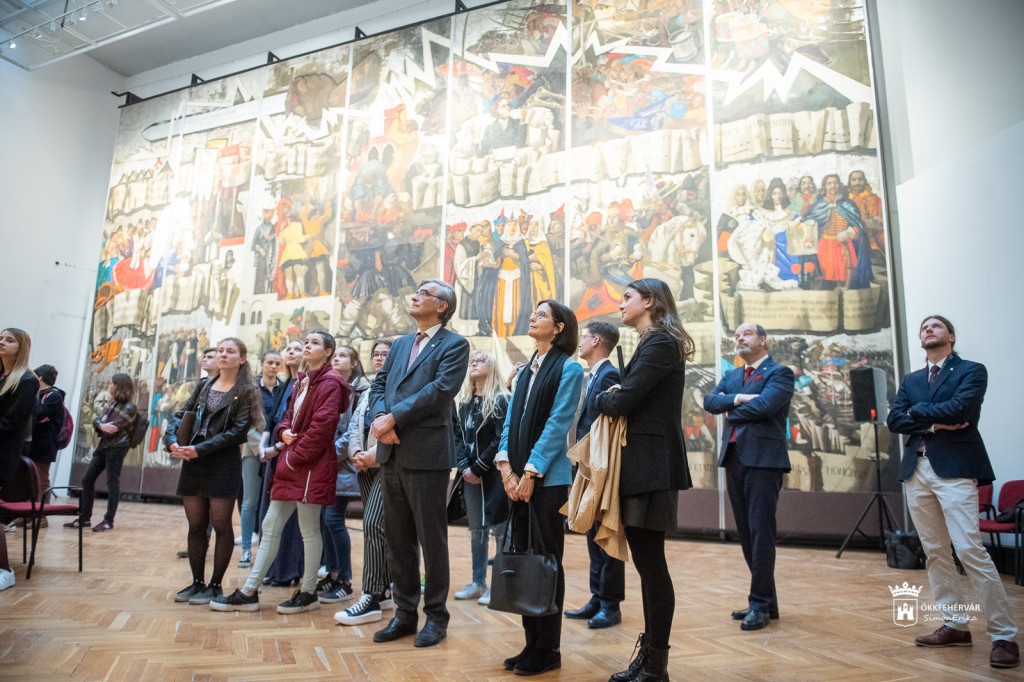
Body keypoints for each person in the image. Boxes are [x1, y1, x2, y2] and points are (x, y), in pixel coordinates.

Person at [887, 315, 1018, 669]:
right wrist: (933, 422)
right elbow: (894, 420)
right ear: (920, 340)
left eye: (936, 326)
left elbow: (962, 409)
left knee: (969, 549)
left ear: (951, 336)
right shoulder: (911, 379)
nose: (928, 329)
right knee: (935, 551)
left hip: (956, 470)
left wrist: (917, 412)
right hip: (916, 471)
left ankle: (1003, 635)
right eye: (924, 328)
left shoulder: (971, 370)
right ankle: (955, 624)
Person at [593, 279, 693, 681]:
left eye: (627, 298)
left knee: (652, 566)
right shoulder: (653, 342)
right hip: (644, 465)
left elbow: (622, 400)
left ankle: (655, 665)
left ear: (649, 301)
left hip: (651, 465)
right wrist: (615, 394)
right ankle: (651, 661)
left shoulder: (660, 343)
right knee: (648, 565)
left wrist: (603, 396)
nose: (620, 305)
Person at [211, 331, 348, 614]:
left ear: (327, 352)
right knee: (270, 525)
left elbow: (322, 427)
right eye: (306, 342)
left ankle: (308, 592)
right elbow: (285, 417)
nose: (307, 346)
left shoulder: (331, 383)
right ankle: (249, 591)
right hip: (292, 464)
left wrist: (293, 458)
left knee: (309, 529)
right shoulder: (301, 381)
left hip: (309, 466)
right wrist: (283, 432)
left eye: (314, 343)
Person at [367, 279, 470, 648]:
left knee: (431, 538)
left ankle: (436, 617)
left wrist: (393, 419)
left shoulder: (455, 344)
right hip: (391, 450)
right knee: (398, 538)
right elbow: (378, 386)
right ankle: (405, 613)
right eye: (416, 291)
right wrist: (380, 420)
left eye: (424, 293)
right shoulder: (399, 344)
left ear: (442, 306)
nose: (415, 296)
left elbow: (440, 390)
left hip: (427, 453)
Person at [495, 300, 584, 676]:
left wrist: (531, 474)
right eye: (534, 313)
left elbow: (558, 423)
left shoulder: (569, 368)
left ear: (559, 328)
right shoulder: (527, 368)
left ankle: (549, 649)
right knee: (524, 559)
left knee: (546, 562)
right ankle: (531, 643)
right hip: (517, 479)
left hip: (547, 480)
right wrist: (505, 467)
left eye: (542, 315)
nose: (533, 317)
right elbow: (510, 422)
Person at [703, 323, 794, 632]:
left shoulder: (780, 373)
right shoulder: (732, 376)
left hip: (764, 461)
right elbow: (710, 402)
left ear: (763, 340)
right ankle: (767, 602)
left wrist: (732, 409)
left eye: (747, 334)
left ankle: (759, 604)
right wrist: (741, 399)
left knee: (761, 532)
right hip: (735, 459)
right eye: (737, 335)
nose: (740, 338)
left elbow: (767, 406)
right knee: (746, 532)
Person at [166, 338, 261, 605]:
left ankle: (215, 585)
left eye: (230, 351)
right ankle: (197, 582)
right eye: (220, 350)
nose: (223, 355)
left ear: (242, 358)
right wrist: (171, 440)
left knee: (221, 524)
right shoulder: (204, 385)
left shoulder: (247, 390)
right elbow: (181, 415)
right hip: (194, 460)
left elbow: (238, 432)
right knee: (196, 525)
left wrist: (200, 449)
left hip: (222, 462)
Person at [565, 321, 624, 629]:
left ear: (597, 341)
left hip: (601, 465)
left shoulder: (609, 374)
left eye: (585, 336)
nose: (581, 342)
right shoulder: (595, 374)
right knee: (592, 532)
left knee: (605, 534)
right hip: (589, 463)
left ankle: (610, 605)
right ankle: (597, 597)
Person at [336, 339, 396, 626]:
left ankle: (370, 596)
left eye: (385, 354)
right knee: (378, 530)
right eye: (376, 354)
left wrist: (373, 456)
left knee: (373, 524)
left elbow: (399, 429)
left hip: (386, 466)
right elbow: (354, 427)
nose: (379, 358)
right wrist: (356, 454)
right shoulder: (370, 390)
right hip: (364, 467)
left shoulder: (399, 388)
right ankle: (383, 591)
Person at [453, 350, 510, 605]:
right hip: (469, 476)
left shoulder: (501, 399)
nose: (474, 363)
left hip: (494, 475)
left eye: (480, 360)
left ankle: (499, 586)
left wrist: (477, 467)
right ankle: (478, 583)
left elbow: (500, 439)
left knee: (499, 530)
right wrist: (465, 466)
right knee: (477, 530)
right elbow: (457, 436)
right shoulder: (465, 401)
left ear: (492, 366)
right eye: (472, 361)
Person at [316, 344, 366, 604]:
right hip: (327, 464)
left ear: (354, 362)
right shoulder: (330, 386)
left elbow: (352, 431)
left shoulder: (361, 391)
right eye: (334, 356)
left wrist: (329, 454)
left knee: (333, 519)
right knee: (326, 521)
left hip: (343, 464)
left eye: (343, 356)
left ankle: (344, 580)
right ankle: (333, 573)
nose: (337, 360)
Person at [67, 374, 138, 533]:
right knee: (87, 479)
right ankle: (85, 518)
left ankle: (108, 521)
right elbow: (98, 421)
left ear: (119, 386)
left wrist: (101, 425)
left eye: (112, 383)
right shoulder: (112, 403)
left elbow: (113, 427)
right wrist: (101, 425)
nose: (110, 386)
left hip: (117, 447)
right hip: (104, 445)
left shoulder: (130, 407)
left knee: (112, 482)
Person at [0, 328, 39, 591]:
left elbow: (12, 422)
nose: (2, 342)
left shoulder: (26, 380)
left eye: (9, 340)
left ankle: (5, 570)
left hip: (3, 453)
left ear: (21, 347)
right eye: (0, 338)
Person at [238, 351, 282, 568]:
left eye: (277, 363)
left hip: (277, 451)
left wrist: (274, 449)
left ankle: (270, 552)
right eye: (269, 362)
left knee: (274, 503)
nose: (273, 366)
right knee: (250, 502)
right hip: (253, 451)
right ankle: (246, 549)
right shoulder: (250, 388)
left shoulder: (285, 388)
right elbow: (243, 423)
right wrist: (262, 449)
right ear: (262, 364)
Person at [30, 364, 65, 503]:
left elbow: (38, 414)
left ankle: (42, 511)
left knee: (41, 479)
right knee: (29, 479)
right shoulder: (37, 395)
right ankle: (28, 510)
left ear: (40, 377)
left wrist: (33, 417)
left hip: (44, 444)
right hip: (33, 442)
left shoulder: (54, 396)